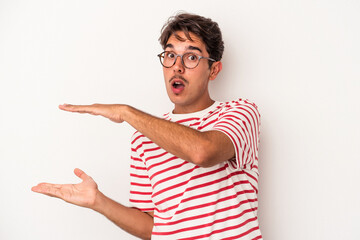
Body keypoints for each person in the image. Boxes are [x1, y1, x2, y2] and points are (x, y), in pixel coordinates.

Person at [32, 13, 262, 240]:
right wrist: (98, 201)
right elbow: (152, 226)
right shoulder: (143, 137)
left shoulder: (240, 112)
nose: (177, 67)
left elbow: (203, 151)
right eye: (170, 55)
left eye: (191, 57)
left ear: (213, 70)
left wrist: (126, 112)